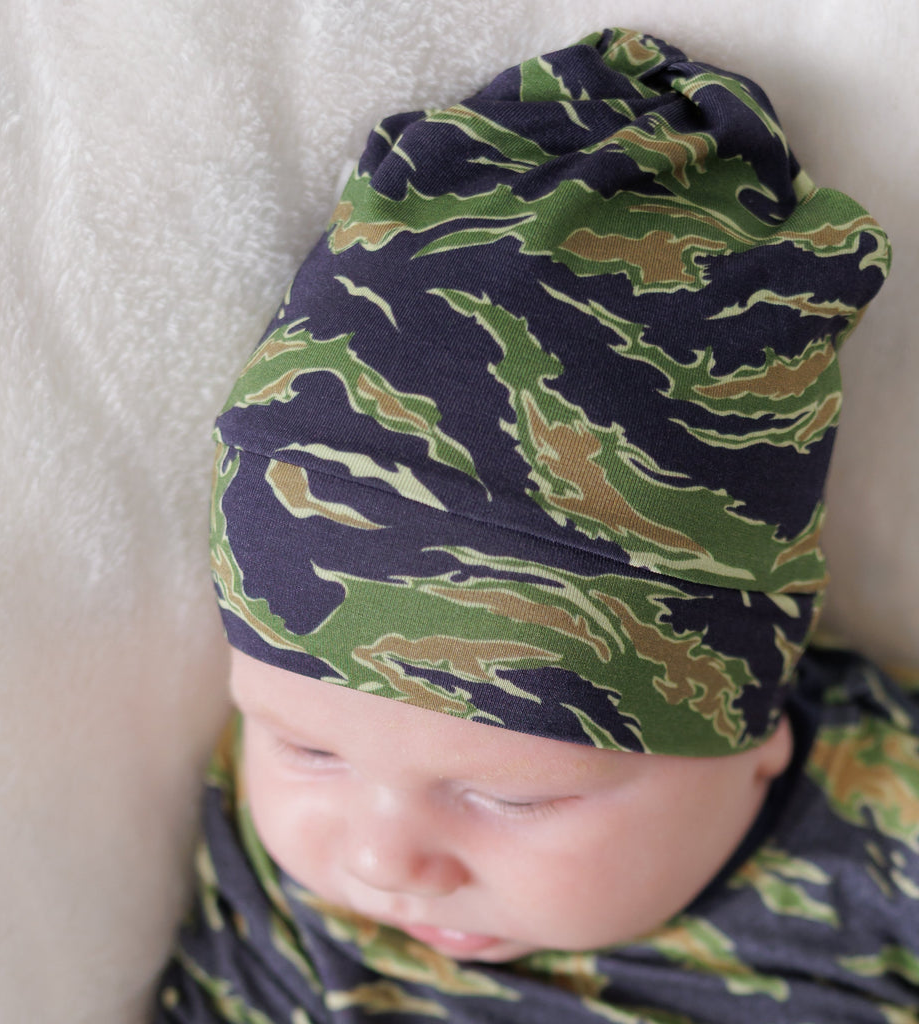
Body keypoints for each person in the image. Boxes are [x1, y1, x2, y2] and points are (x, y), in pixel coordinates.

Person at [154, 27, 917, 1022]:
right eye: (306, 751)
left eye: (509, 798)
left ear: (749, 729)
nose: (385, 857)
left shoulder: (888, 841)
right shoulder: (276, 886)